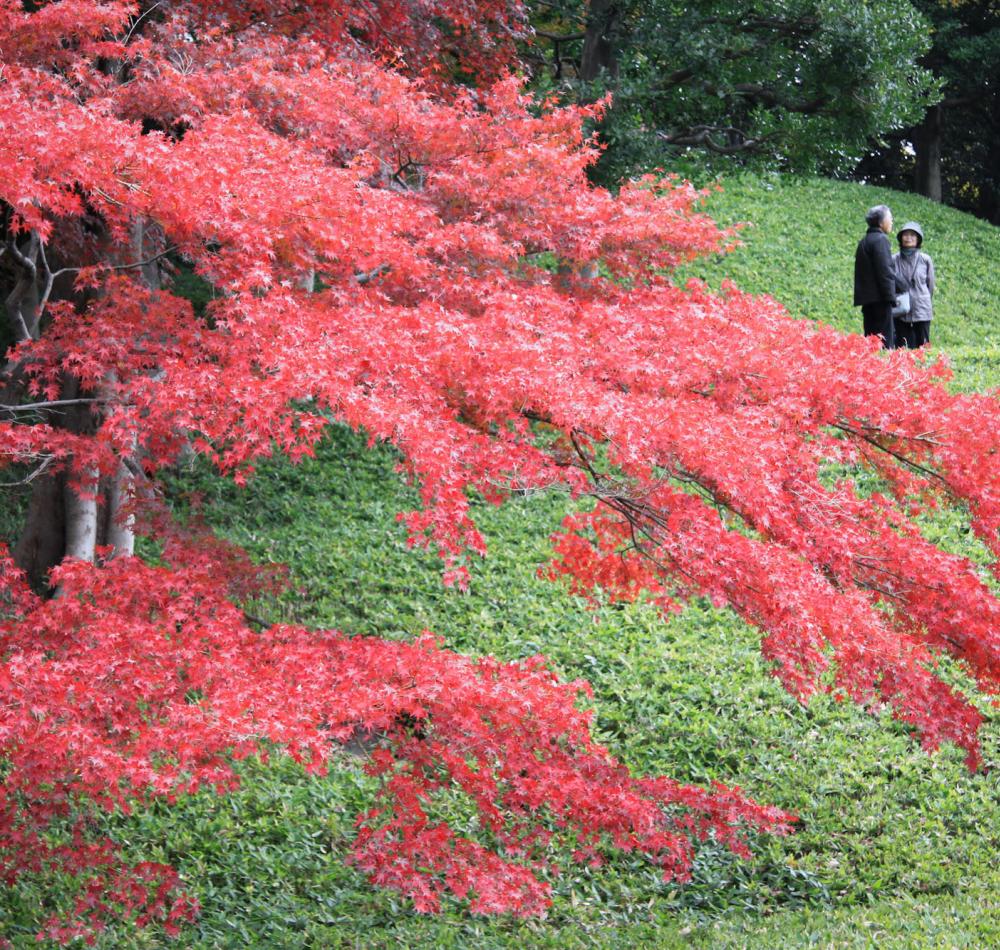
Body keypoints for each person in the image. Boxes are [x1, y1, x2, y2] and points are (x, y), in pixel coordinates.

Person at [854, 204, 905, 349]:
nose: (892, 221)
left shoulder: (864, 241)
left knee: (871, 341)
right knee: (884, 343)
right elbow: (885, 271)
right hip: (880, 300)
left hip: (868, 301)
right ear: (881, 222)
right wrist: (891, 298)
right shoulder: (880, 240)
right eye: (890, 218)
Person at [892, 221, 936, 348]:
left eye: (912, 235)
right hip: (901, 310)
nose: (908, 238)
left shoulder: (925, 260)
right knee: (902, 347)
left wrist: (923, 300)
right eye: (905, 235)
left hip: (922, 309)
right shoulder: (894, 259)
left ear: (918, 239)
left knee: (923, 346)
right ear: (901, 238)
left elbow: (930, 285)